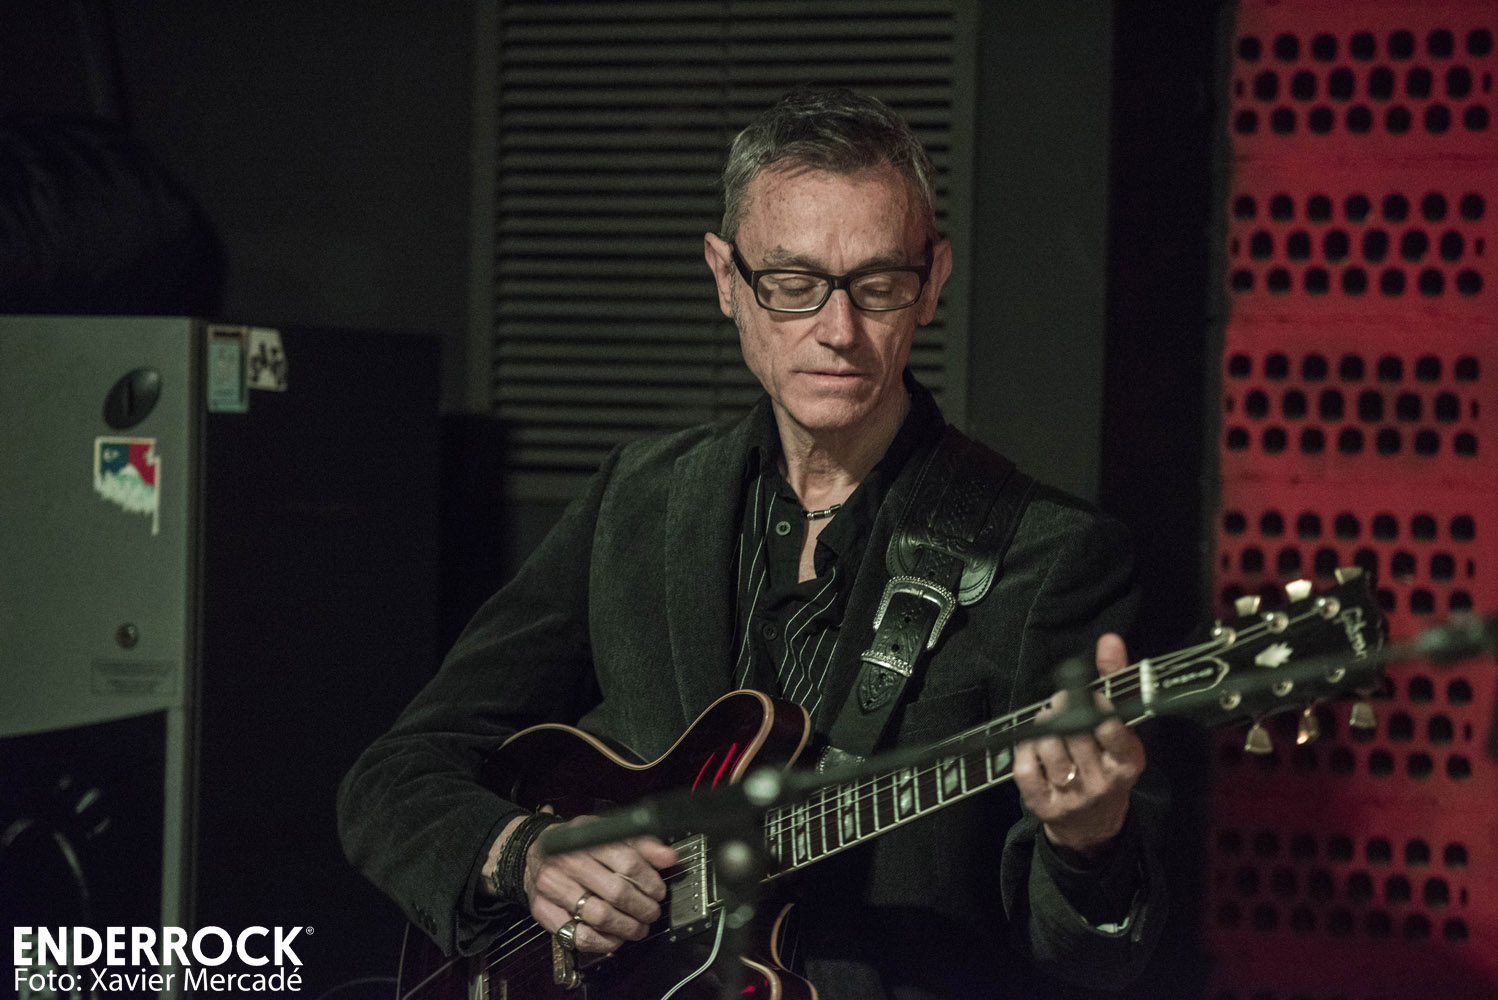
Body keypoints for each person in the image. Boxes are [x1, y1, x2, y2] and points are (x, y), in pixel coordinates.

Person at [338, 88, 1166, 999]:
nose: (838, 331)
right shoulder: (640, 500)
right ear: (726, 279)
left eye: (878, 285)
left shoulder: (1050, 559)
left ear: (932, 281)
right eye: (792, 285)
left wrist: (1087, 841)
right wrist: (526, 853)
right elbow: (395, 776)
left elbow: (1095, 959)